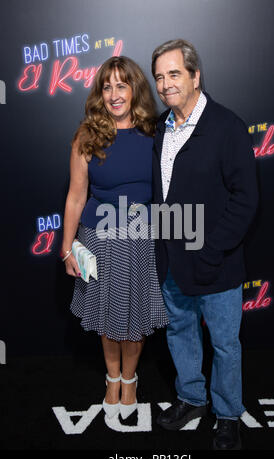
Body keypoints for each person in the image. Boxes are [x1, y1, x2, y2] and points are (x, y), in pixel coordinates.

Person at [151, 39, 259, 450]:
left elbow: (246, 199)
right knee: (180, 331)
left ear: (196, 77)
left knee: (225, 344)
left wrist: (212, 249)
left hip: (217, 263)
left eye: (174, 74)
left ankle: (228, 413)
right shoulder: (162, 126)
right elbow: (162, 195)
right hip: (173, 264)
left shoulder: (227, 126)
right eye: (160, 77)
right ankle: (191, 398)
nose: (165, 84)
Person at [61, 56, 169, 421]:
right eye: (107, 87)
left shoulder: (157, 133)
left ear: (135, 89)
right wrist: (66, 248)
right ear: (99, 94)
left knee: (134, 318)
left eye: (121, 85)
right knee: (108, 319)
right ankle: (111, 379)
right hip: (98, 238)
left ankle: (130, 379)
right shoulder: (86, 136)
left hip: (141, 238)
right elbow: (76, 196)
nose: (114, 94)